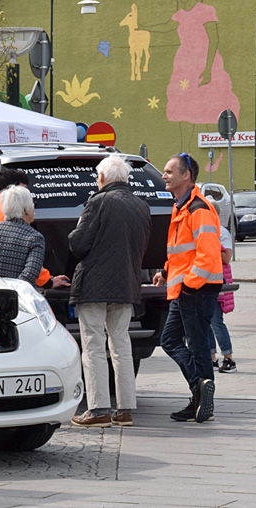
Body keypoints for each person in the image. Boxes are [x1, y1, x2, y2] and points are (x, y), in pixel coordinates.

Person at [68, 154, 151, 428]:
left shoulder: (98, 201)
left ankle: (99, 408)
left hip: (94, 285)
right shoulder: (141, 205)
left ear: (102, 178)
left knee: (92, 345)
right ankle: (125, 408)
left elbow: (79, 244)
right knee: (121, 344)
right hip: (126, 284)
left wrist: (71, 233)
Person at [153, 153, 223, 423]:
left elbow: (207, 255)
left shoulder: (198, 209)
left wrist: (189, 286)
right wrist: (165, 272)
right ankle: (200, 388)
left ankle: (201, 398)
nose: (164, 175)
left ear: (186, 176)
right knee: (170, 340)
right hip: (185, 288)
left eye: (170, 171)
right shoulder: (181, 206)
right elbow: (182, 252)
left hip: (196, 289)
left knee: (198, 345)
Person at [0, 167, 68, 289]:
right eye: (24, 190)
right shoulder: (27, 232)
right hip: (8, 285)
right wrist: (47, 282)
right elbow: (31, 269)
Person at [0, 185, 45, 285]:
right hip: (14, 296)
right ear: (27, 210)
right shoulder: (34, 238)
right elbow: (30, 273)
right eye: (33, 205)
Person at [206, 199, 237, 373]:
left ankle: (229, 358)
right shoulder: (208, 231)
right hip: (207, 279)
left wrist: (210, 247)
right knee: (207, 322)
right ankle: (211, 357)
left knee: (216, 322)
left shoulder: (221, 232)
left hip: (219, 279)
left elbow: (226, 258)